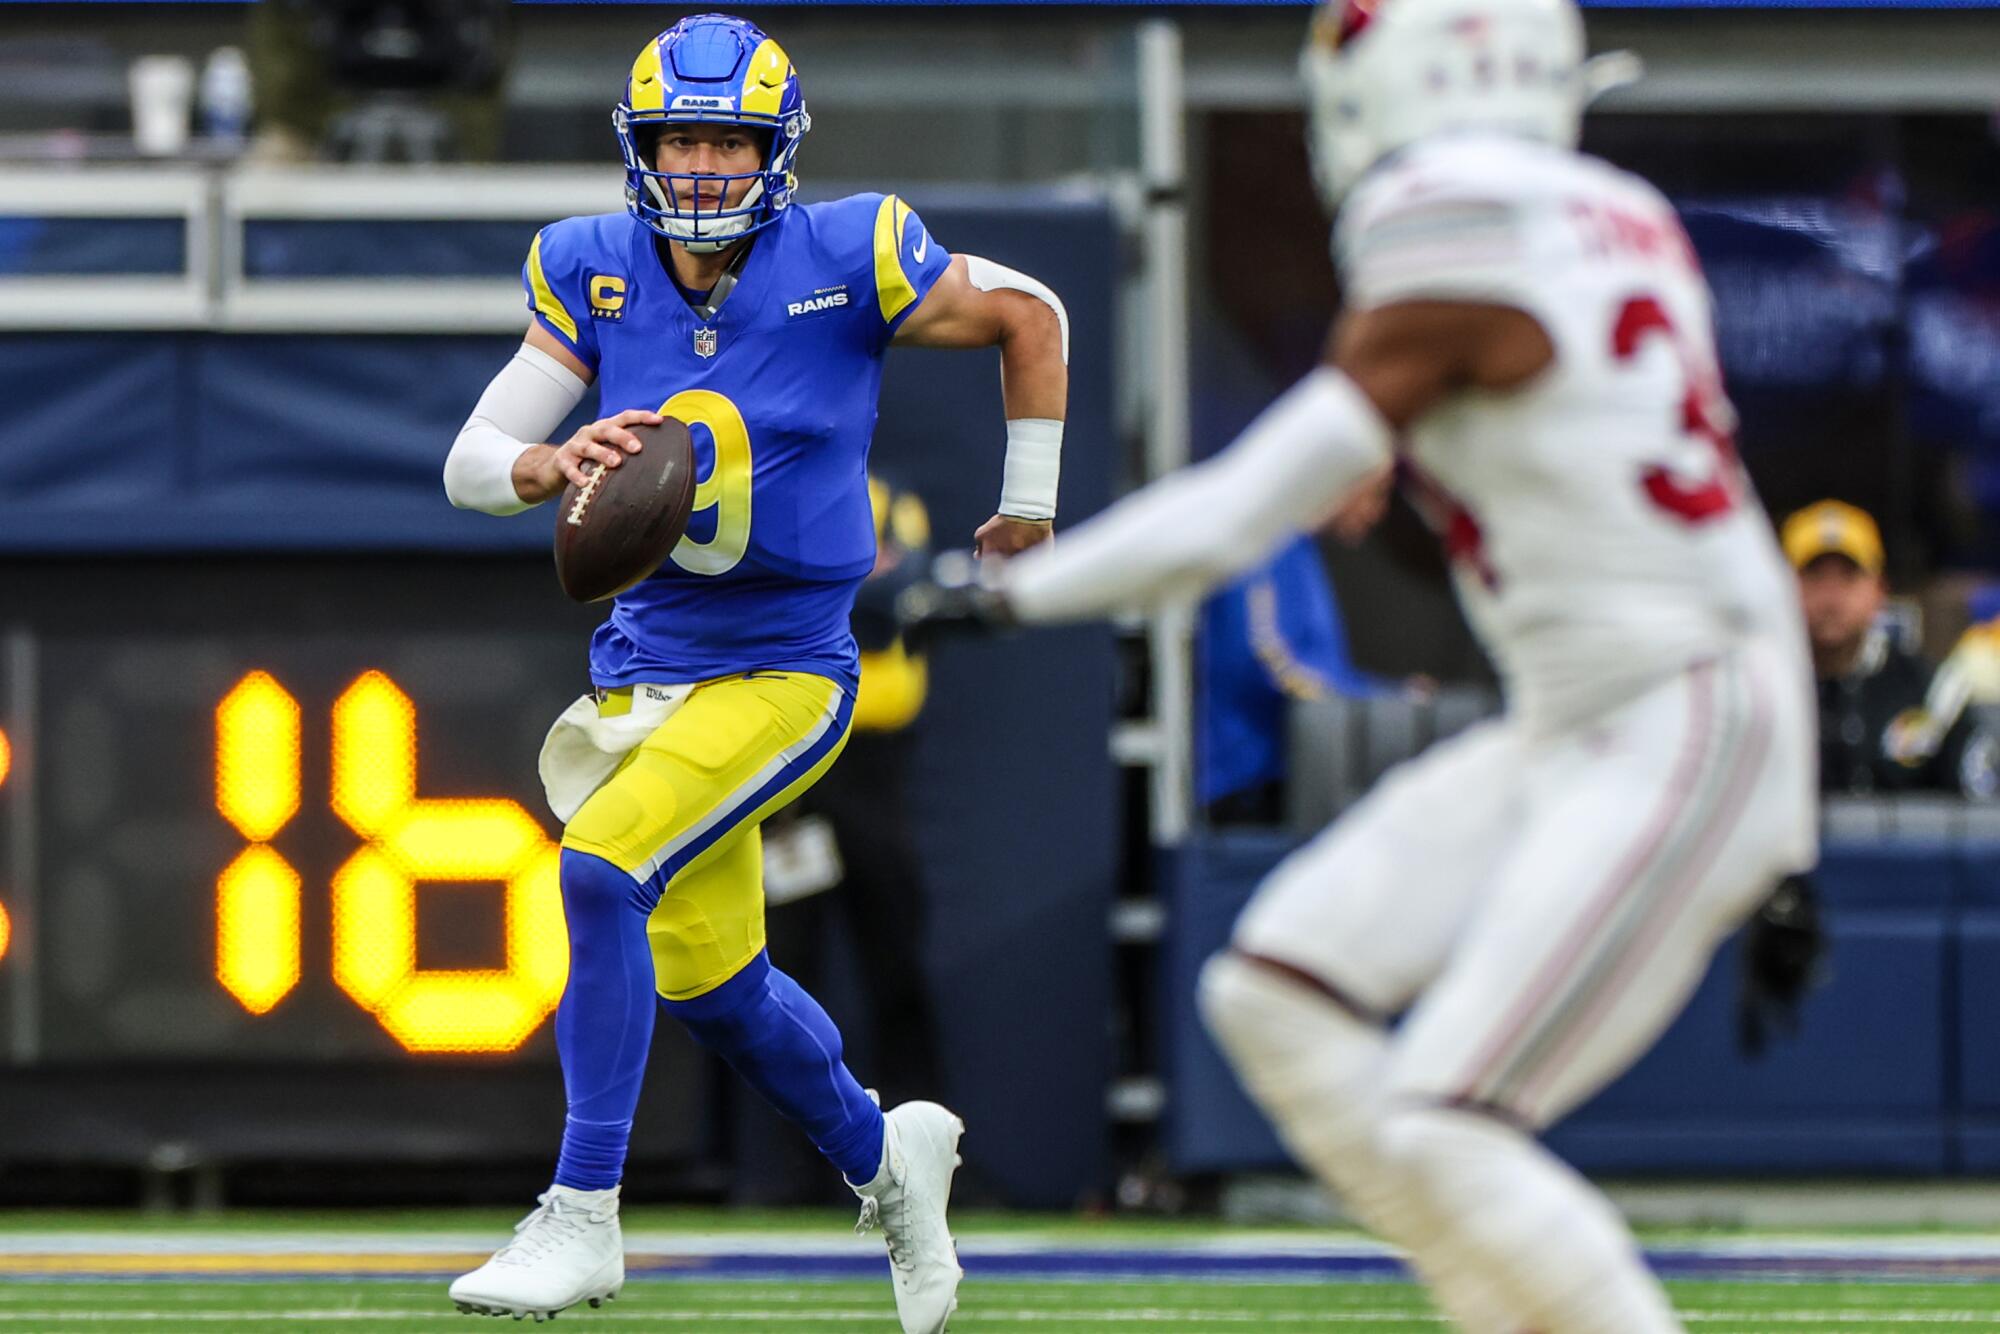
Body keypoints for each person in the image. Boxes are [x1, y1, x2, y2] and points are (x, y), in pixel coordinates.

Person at [908, 0, 1816, 1327]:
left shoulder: (1455, 216)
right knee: (1276, 990)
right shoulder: (1615, 210)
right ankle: (1497, 1304)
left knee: (1446, 1118)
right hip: (1605, 711)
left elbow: (1237, 513)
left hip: (1671, 710)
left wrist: (996, 597)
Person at [437, 15, 1069, 1329]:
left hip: (786, 669)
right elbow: (472, 457)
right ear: (643, 145)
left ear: (776, 149)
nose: (708, 165)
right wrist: (547, 464)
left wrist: (1028, 501)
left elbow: (1033, 312)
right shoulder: (596, 269)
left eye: (729, 139)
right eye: (684, 137)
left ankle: (582, 1214)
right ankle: (886, 1156)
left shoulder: (852, 252)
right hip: (643, 675)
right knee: (715, 986)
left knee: (599, 865)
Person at [1784, 499, 1993, 796]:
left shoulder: (1933, 692)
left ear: (1879, 590)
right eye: (1814, 576)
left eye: (1848, 576)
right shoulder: (1755, 691)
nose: (1830, 598)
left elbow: (1983, 805)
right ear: (1780, 587)